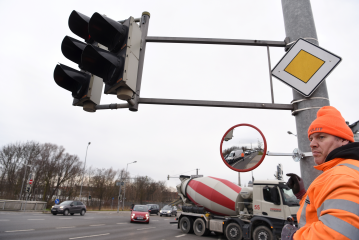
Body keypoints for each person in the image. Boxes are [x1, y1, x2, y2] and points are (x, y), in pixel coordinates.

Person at [281, 106, 359, 240]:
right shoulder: (347, 169)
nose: (312, 144)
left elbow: (338, 235)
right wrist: (302, 195)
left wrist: (294, 237)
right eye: (311, 139)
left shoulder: (341, 175)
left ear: (343, 140)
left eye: (321, 137)